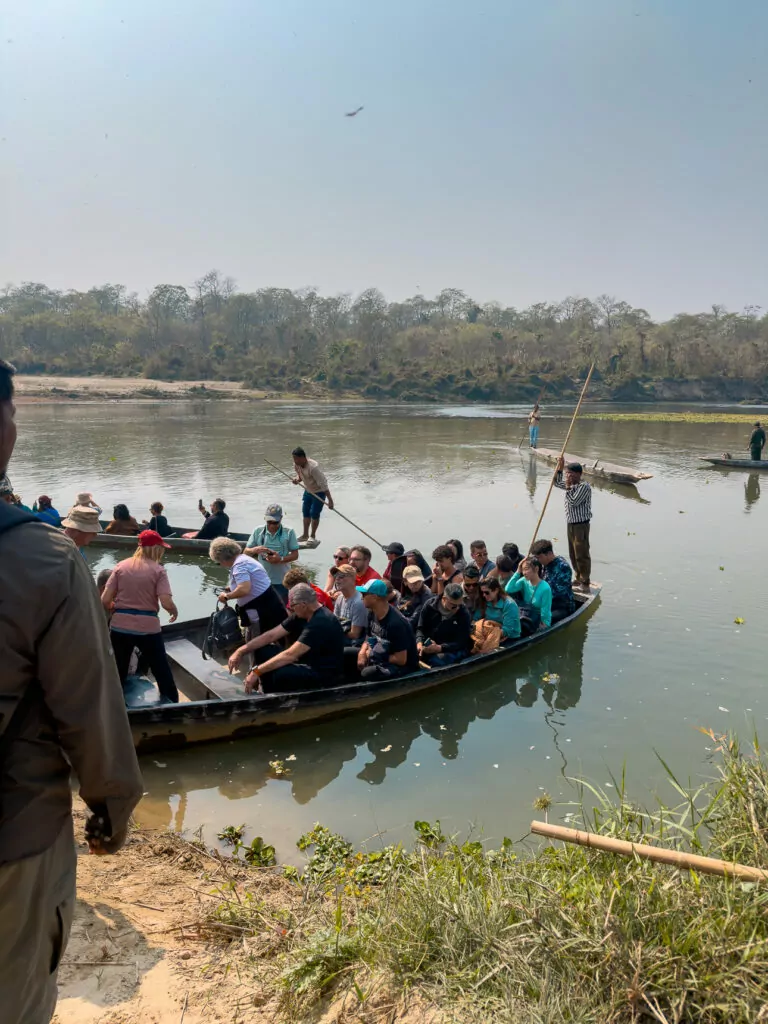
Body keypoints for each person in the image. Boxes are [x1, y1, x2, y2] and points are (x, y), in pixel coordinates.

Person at [0, 358, 143, 1024]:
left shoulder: (60, 556)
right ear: (7, 430)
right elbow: (89, 708)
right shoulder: (47, 560)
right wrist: (112, 804)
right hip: (15, 836)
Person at [102, 530, 180, 702]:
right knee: (160, 668)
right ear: (155, 549)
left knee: (118, 669)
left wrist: (114, 607)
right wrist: (173, 611)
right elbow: (165, 601)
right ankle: (173, 703)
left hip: (120, 626)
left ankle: (114, 705)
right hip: (148, 627)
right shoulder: (158, 571)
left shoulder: (120, 566)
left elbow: (105, 599)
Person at [236, 583, 345, 694]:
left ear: (303, 605)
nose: (290, 608)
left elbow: (290, 655)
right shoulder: (302, 614)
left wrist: (256, 672)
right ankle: (265, 691)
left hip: (323, 673)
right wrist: (241, 650)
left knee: (280, 674)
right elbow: (271, 635)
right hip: (306, 661)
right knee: (263, 651)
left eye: (292, 605)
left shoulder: (321, 622)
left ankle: (272, 700)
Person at [209, 536, 287, 634]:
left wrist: (226, 596)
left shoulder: (239, 566)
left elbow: (244, 589)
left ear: (223, 559)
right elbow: (251, 583)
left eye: (218, 563)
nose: (221, 565)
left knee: (258, 641)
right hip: (270, 604)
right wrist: (232, 588)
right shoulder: (244, 559)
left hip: (261, 611)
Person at [357, 578, 419, 681]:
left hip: (403, 666)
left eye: (364, 595)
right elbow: (369, 636)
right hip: (379, 652)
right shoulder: (372, 612)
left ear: (374, 597)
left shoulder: (396, 624)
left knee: (366, 673)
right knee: (347, 654)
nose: (361, 598)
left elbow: (401, 660)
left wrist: (373, 655)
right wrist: (362, 652)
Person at [244, 503, 300, 603]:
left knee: (282, 610)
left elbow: (295, 555)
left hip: (282, 581)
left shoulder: (289, 532)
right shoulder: (258, 531)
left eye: (275, 522)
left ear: (281, 519)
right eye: (269, 522)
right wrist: (255, 550)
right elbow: (246, 552)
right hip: (261, 580)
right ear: (265, 518)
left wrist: (280, 559)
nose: (272, 525)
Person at [555, 456, 592, 590]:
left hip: (581, 525)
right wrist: (559, 468)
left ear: (578, 474)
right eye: (567, 473)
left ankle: (585, 582)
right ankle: (578, 577)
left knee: (582, 553)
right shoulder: (571, 485)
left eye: (570, 473)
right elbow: (556, 483)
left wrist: (569, 486)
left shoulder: (584, 487)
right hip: (570, 524)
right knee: (573, 553)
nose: (568, 476)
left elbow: (574, 502)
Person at [416, 582, 472, 667]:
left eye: (459, 605)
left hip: (451, 649)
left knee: (437, 661)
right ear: (444, 599)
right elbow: (420, 628)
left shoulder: (463, 613)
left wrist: (440, 648)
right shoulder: (429, 606)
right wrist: (419, 642)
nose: (457, 608)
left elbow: (462, 642)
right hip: (428, 645)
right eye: (453, 605)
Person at [291, 446, 334, 542]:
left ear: (303, 457)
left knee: (314, 513)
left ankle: (312, 536)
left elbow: (323, 484)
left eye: (296, 459)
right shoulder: (297, 465)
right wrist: (297, 480)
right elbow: (301, 476)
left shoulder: (313, 467)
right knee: (305, 512)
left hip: (319, 492)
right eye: (294, 459)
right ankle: (305, 535)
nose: (295, 461)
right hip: (308, 491)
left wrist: (330, 501)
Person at [530, 538, 574, 620]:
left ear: (549, 553)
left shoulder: (563, 567)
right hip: (545, 602)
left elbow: (558, 592)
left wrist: (539, 598)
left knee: (539, 618)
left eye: (539, 557)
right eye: (537, 557)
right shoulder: (544, 564)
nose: (538, 560)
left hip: (561, 605)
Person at [505, 556, 553, 631]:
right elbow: (508, 589)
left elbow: (545, 611)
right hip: (525, 613)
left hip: (535, 618)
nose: (524, 573)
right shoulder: (524, 581)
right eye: (522, 570)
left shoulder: (545, 588)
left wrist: (544, 626)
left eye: (526, 569)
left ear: (536, 569)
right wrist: (518, 571)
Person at [332, 564, 369, 641]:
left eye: (341, 576)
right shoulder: (339, 598)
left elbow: (355, 634)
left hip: (355, 643)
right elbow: (334, 623)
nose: (337, 579)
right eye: (336, 576)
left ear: (353, 578)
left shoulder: (359, 602)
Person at [397, 564, 432, 631]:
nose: (416, 584)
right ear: (405, 582)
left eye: (419, 581)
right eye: (413, 582)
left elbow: (413, 621)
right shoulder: (405, 592)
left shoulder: (426, 596)